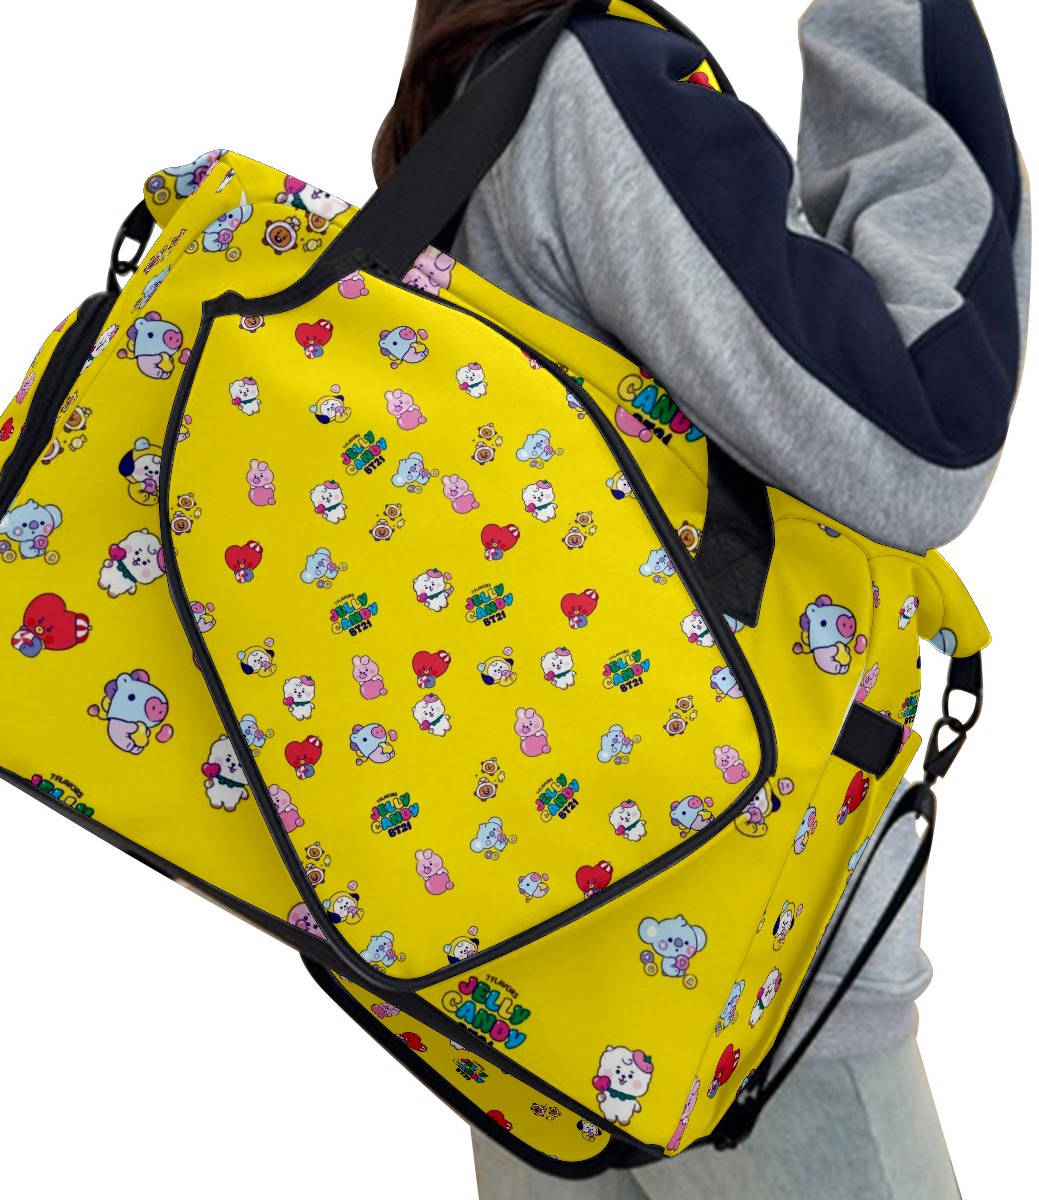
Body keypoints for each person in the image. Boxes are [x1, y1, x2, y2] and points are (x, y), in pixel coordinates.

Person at [372, 2, 1029, 1197]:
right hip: (744, 995)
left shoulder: (465, 122)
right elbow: (925, 430)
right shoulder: (597, 89)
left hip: (517, 971)